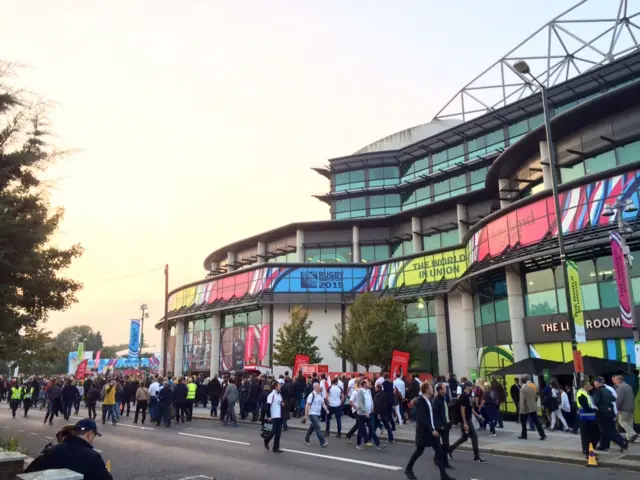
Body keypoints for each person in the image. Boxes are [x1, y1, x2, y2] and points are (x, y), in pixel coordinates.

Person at [24, 419, 112, 480]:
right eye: (94, 435)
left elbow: (28, 473)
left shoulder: (53, 450)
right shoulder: (93, 457)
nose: (93, 439)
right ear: (89, 434)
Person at [404, 382, 454, 480]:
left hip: (431, 431)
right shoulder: (421, 402)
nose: (432, 389)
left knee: (439, 451)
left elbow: (431, 416)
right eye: (431, 388)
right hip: (424, 432)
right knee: (419, 451)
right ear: (426, 390)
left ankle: (443, 476)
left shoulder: (429, 400)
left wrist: (437, 427)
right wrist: (432, 430)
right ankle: (408, 469)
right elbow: (423, 419)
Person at [449, 381, 486, 463]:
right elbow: (462, 410)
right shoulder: (463, 396)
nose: (473, 388)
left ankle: (449, 449)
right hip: (466, 420)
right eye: (471, 386)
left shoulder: (467, 396)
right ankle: (476, 457)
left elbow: (470, 408)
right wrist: (465, 423)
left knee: (464, 438)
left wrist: (478, 416)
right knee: (474, 437)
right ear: (466, 387)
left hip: (467, 419)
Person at [593, 377, 627, 452]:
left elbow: (595, 402)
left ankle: (622, 443)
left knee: (607, 431)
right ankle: (604, 445)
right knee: (609, 430)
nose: (594, 384)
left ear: (598, 383)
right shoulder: (607, 390)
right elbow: (613, 399)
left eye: (595, 382)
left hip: (602, 413)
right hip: (610, 413)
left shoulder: (598, 391)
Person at [517, 374, 546, 441]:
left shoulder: (522, 389)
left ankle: (524, 435)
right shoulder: (531, 388)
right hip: (532, 407)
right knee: (536, 421)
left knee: (523, 422)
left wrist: (521, 410)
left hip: (525, 408)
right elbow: (536, 397)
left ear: (521, 382)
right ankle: (542, 434)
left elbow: (522, 400)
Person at [613, 375, 638, 443]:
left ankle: (633, 434)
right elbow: (633, 396)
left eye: (615, 380)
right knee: (629, 423)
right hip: (631, 408)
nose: (614, 381)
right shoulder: (629, 386)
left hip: (623, 408)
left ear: (619, 380)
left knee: (621, 421)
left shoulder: (620, 387)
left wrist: (618, 408)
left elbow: (619, 399)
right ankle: (629, 438)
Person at [433, 382, 452, 469]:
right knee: (442, 444)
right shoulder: (436, 400)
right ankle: (443, 461)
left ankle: (440, 459)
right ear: (440, 390)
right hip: (441, 425)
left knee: (445, 444)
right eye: (444, 388)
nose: (446, 390)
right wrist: (439, 425)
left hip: (446, 423)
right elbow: (435, 414)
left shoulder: (445, 398)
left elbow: (447, 411)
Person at [304, 381, 329, 447]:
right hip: (312, 413)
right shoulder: (311, 395)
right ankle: (322, 442)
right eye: (318, 386)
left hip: (318, 414)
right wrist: (306, 414)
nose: (319, 388)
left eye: (319, 386)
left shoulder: (320, 394)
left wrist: (326, 410)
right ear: (314, 387)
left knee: (312, 427)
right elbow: (307, 405)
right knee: (318, 427)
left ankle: (306, 439)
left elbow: (323, 403)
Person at [265, 381, 284, 453]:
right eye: (279, 385)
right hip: (274, 416)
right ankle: (266, 440)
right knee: (272, 431)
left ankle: (276, 448)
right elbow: (268, 406)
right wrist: (269, 416)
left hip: (279, 416)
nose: (280, 387)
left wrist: (283, 403)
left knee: (278, 433)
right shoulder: (271, 395)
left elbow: (281, 402)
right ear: (275, 387)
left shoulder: (279, 395)